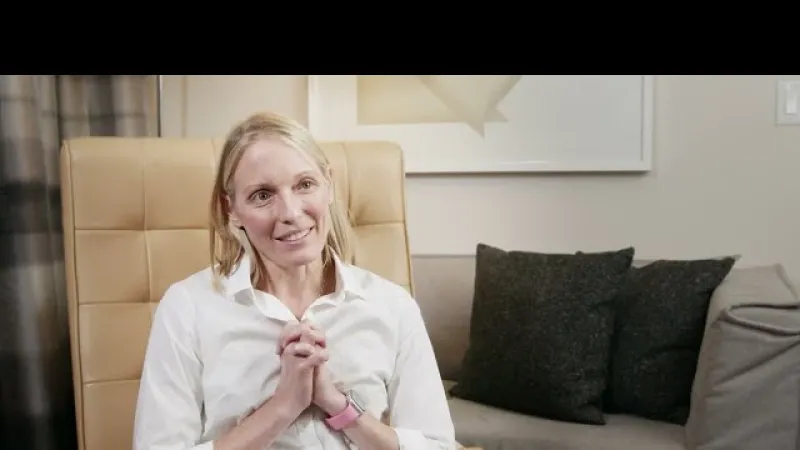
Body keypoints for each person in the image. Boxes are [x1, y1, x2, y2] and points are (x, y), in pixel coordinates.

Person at [132, 111, 456, 449]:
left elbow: (438, 446)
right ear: (231, 209)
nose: (290, 212)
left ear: (328, 185)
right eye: (262, 195)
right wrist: (282, 407)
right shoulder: (187, 307)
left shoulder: (392, 305)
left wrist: (338, 405)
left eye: (304, 185)